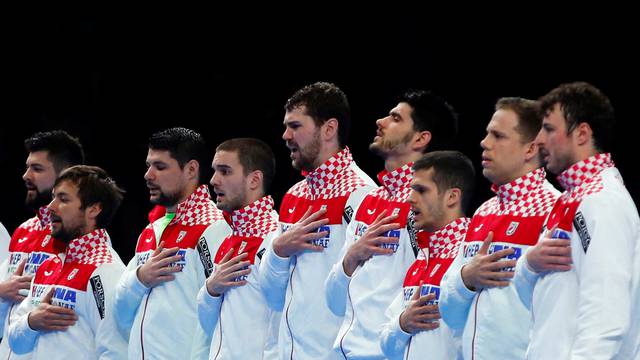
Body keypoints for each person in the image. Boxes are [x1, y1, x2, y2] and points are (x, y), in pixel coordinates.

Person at [324, 89, 458, 358]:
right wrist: (353, 255)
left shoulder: (430, 204)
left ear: (421, 138)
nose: (381, 121)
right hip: (344, 352)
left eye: (395, 118)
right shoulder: (370, 200)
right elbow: (334, 301)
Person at [513, 82, 640, 359]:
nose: (539, 140)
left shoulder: (603, 200)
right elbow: (535, 304)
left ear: (582, 133)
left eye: (548, 129)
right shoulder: (568, 200)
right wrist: (530, 265)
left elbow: (606, 314)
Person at [259, 82, 376, 359]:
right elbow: (272, 296)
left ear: (329, 129)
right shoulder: (293, 196)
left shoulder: (362, 194)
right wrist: (278, 250)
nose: (286, 135)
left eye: (296, 126)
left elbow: (366, 293)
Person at [439, 97, 559, 359]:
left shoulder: (555, 210)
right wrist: (467, 278)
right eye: (486, 134)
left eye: (497, 135)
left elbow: (561, 310)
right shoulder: (484, 212)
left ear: (530, 149)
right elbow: (447, 309)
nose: (484, 142)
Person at [112, 127, 231, 359]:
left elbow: (220, 316)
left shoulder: (215, 228)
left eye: (160, 166)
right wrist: (139, 279)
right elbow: (121, 312)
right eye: (148, 165)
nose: (148, 175)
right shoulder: (151, 231)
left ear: (191, 169)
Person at [7, 165, 126, 359]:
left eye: (63, 199)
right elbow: (16, 343)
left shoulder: (105, 269)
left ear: (94, 209)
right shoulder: (49, 265)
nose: (50, 207)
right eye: (53, 197)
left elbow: (115, 352)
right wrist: (31, 322)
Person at [380, 151, 475, 359]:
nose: (410, 198)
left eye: (421, 190)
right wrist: (403, 323)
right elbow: (385, 344)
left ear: (452, 197)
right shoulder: (423, 257)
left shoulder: (469, 253)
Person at [0, 130, 84, 359]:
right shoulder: (23, 231)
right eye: (27, 167)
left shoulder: (78, 237)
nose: (26, 175)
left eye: (37, 169)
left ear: (66, 175)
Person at [196, 138, 280, 359]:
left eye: (225, 171)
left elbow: (283, 322)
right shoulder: (229, 237)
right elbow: (208, 327)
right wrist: (211, 290)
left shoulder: (275, 237)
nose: (213, 180)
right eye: (215, 171)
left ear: (254, 180)